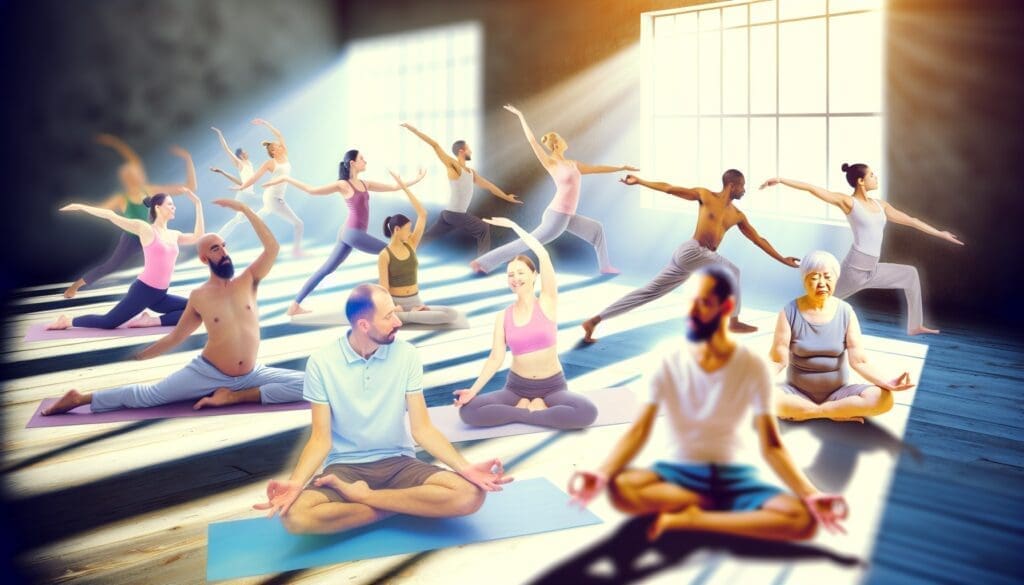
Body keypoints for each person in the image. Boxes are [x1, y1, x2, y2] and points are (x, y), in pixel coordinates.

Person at [568, 265, 848, 542]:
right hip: (682, 473)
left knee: (800, 520)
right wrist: (601, 474)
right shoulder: (667, 358)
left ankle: (694, 519)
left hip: (734, 475)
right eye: (690, 303)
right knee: (622, 488)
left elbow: (772, 446)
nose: (692, 312)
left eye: (703, 303)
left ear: (726, 307)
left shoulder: (752, 367)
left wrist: (812, 495)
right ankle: (711, 508)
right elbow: (639, 431)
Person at [253, 284, 511, 534]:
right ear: (364, 325)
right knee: (297, 518)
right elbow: (320, 438)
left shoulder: (407, 354)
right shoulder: (321, 363)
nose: (398, 322)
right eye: (388, 316)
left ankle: (370, 498)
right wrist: (297, 483)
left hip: (399, 463)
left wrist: (465, 468)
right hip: (345, 469)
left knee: (470, 495)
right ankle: (412, 505)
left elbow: (422, 429)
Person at [42, 199, 305, 415]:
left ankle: (235, 397)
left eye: (224, 247)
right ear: (205, 259)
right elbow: (178, 335)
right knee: (148, 395)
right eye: (215, 249)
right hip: (207, 372)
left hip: (251, 374)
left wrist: (245, 210)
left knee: (310, 385)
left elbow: (272, 247)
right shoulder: (198, 295)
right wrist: (144, 355)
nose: (224, 252)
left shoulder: (248, 280)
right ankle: (79, 398)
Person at [582, 171, 799, 342]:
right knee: (733, 271)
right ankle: (733, 322)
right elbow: (669, 189)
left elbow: (758, 239)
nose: (744, 190)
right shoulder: (705, 195)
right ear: (732, 185)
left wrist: (782, 259)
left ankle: (594, 320)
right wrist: (640, 181)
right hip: (692, 251)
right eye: (742, 185)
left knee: (648, 292)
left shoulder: (738, 215)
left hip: (693, 259)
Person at [760, 163, 964, 335]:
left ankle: (915, 325)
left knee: (910, 275)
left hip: (872, 270)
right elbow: (812, 189)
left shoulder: (881, 205)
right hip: (854, 270)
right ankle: (787, 325)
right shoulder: (848, 202)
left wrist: (940, 233)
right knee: (821, 302)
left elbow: (912, 221)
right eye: (872, 175)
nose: (876, 178)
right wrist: (780, 179)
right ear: (860, 181)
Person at [455, 218, 598, 430]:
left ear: (534, 275)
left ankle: (527, 411)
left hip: (553, 387)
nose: (515, 278)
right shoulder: (503, 316)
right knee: (468, 412)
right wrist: (473, 391)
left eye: (521, 272)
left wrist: (515, 227)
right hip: (516, 388)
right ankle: (527, 412)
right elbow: (496, 358)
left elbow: (543, 254)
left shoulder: (548, 302)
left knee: (588, 412)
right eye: (510, 274)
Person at [469, 105, 637, 275]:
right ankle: (482, 263)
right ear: (557, 145)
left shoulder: (573, 164)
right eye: (562, 140)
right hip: (556, 216)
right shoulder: (551, 163)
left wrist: (620, 167)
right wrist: (520, 115)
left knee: (596, 229)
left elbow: (596, 168)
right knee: (527, 242)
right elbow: (533, 141)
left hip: (567, 216)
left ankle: (605, 267)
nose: (565, 141)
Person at [263, 150, 426, 316]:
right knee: (393, 254)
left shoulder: (365, 184)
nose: (365, 161)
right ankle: (398, 303)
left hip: (347, 233)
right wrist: (285, 178)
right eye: (362, 158)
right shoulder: (343, 185)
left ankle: (294, 305)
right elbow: (311, 190)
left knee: (327, 269)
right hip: (352, 233)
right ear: (352, 163)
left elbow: (394, 187)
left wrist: (417, 178)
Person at [769, 250, 916, 423]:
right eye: (815, 277)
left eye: (827, 276)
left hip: (838, 395)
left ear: (836, 278)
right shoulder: (789, 312)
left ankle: (808, 413)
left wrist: (887, 382)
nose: (822, 283)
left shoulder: (846, 312)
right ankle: (831, 413)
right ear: (804, 280)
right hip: (796, 393)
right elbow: (777, 361)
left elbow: (859, 361)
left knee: (883, 399)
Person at [48, 189, 205, 330]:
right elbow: (111, 215)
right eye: (170, 204)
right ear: (158, 207)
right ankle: (67, 321)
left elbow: (198, 236)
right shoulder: (146, 229)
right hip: (143, 291)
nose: (174, 207)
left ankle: (150, 321)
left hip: (161, 295)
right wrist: (80, 206)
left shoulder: (174, 234)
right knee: (108, 322)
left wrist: (198, 204)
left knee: (197, 309)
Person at [64, 136, 196, 298]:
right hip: (132, 239)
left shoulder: (149, 189)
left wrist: (188, 159)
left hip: (153, 236)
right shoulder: (121, 198)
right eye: (130, 174)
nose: (136, 175)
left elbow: (190, 187)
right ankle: (76, 285)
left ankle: (156, 293)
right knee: (110, 266)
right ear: (125, 179)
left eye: (136, 172)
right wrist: (80, 207)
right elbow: (103, 211)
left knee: (168, 257)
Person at [400, 122, 520, 254]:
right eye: (468, 149)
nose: (471, 151)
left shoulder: (471, 172)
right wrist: (414, 130)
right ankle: (482, 264)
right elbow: (435, 145)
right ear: (461, 151)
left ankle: (403, 251)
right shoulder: (454, 167)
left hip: (448, 215)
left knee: (426, 238)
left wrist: (506, 196)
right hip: (455, 214)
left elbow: (490, 186)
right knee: (483, 229)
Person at [378, 170, 462, 325]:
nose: (411, 232)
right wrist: (394, 309)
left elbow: (422, 214)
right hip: (398, 306)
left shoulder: (411, 244)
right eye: (407, 229)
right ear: (396, 230)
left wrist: (403, 186)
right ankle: (407, 317)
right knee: (443, 318)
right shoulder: (385, 255)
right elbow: (384, 289)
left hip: (416, 300)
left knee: (451, 313)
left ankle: (413, 315)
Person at [232, 118, 304, 257]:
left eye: (280, 146)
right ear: (274, 151)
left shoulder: (285, 156)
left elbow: (279, 135)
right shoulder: (270, 163)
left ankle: (242, 222)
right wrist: (241, 187)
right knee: (298, 223)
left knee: (257, 219)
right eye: (278, 146)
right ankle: (296, 251)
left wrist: (266, 124)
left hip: (277, 197)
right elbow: (255, 178)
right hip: (272, 197)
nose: (281, 146)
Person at [209, 126, 260, 239]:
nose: (247, 152)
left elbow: (241, 182)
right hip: (245, 196)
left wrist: (222, 172)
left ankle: (217, 238)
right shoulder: (240, 163)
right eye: (245, 152)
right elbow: (226, 149)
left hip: (248, 194)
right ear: (241, 155)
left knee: (239, 220)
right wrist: (220, 133)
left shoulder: (249, 164)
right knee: (259, 210)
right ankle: (216, 238)